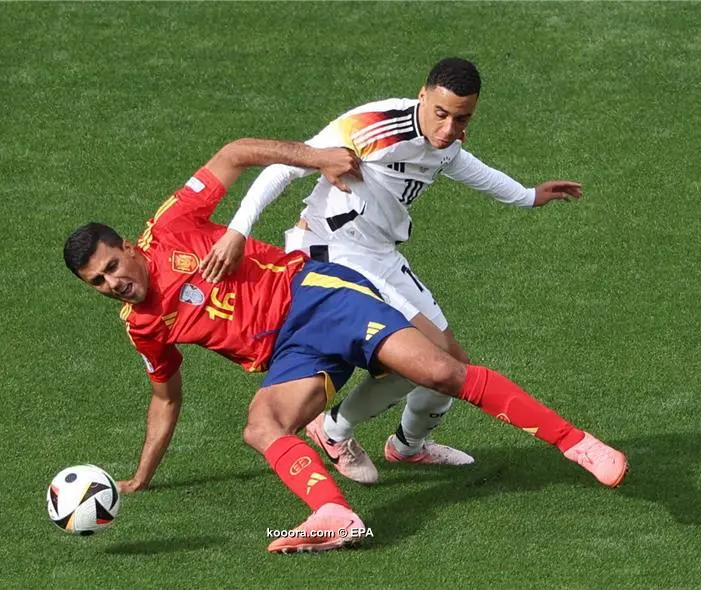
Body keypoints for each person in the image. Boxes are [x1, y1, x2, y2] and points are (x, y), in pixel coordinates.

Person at [64, 137, 627, 554]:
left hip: (317, 296)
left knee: (441, 370)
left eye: (113, 266)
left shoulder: (170, 227)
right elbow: (165, 399)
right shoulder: (142, 324)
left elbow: (234, 153)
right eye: (98, 282)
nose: (113, 282)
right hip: (291, 355)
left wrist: (318, 158)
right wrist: (142, 475)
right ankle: (332, 513)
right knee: (261, 425)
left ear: (128, 247)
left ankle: (578, 444)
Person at [199, 57, 583, 484]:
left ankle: (407, 448)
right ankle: (333, 431)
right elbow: (284, 167)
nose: (448, 129)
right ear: (423, 95)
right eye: (441, 114)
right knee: (424, 362)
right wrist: (237, 230)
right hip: (332, 255)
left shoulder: (447, 141)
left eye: (461, 118)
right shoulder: (372, 126)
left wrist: (528, 196)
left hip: (379, 254)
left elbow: (465, 167)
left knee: (453, 364)